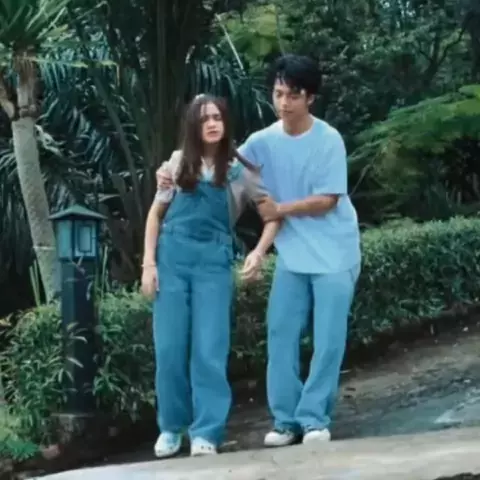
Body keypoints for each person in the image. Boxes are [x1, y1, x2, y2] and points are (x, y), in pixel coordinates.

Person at [157, 55, 361, 448]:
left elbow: (329, 200)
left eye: (293, 95)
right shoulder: (262, 142)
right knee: (280, 333)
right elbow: (218, 158)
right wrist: (166, 171)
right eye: (278, 93)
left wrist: (279, 210)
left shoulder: (329, 139)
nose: (284, 103)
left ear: (310, 98)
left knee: (328, 340)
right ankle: (285, 421)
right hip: (291, 254)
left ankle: (314, 419)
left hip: (336, 251)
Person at [141, 94, 281, 459]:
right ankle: (171, 427)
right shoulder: (176, 164)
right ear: (193, 126)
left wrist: (258, 252)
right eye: (204, 119)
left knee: (209, 350)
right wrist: (149, 265)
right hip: (172, 260)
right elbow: (155, 215)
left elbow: (272, 217)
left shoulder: (241, 171)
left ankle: (206, 432)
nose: (212, 124)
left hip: (214, 265)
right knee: (169, 349)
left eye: (217, 117)